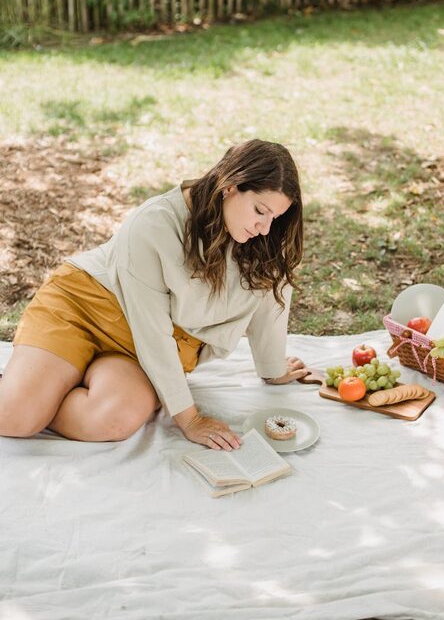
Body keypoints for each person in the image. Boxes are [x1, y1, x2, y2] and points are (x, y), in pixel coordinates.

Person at [0, 139, 308, 449]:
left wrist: (273, 370)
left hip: (139, 349)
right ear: (229, 185)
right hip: (84, 307)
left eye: (275, 217)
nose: (266, 227)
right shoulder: (154, 223)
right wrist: (189, 419)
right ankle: (30, 394)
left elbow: (270, 296)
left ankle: (44, 390)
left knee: (115, 419)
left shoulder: (264, 238)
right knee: (16, 417)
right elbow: (152, 330)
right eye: (260, 211)